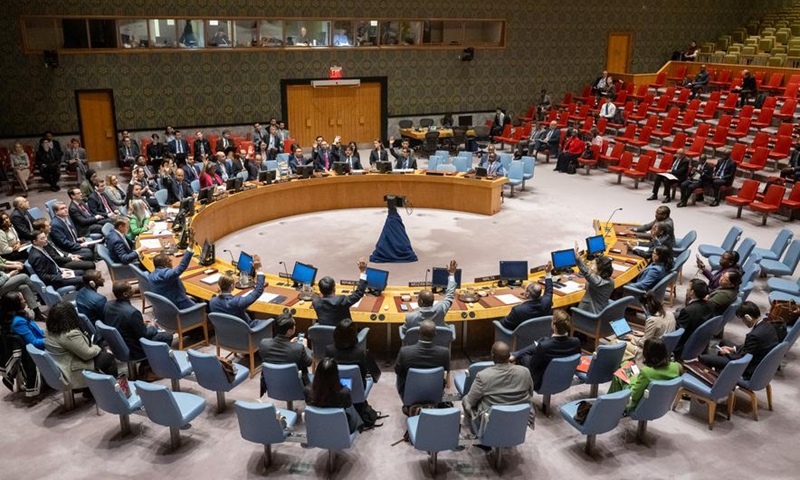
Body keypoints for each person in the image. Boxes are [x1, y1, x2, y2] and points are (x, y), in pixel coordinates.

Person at [462, 341, 533, 440]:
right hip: (517, 419)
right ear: (510, 356)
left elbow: (470, 401)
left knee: (465, 399)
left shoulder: (483, 376)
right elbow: (530, 394)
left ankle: (478, 434)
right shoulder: (525, 372)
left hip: (491, 421)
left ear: (492, 356)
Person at [44, 301, 118, 390]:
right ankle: (112, 391)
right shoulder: (69, 334)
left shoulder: (49, 329)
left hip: (63, 362)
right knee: (108, 358)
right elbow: (87, 354)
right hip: (72, 369)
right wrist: (97, 348)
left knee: (102, 349)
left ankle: (93, 388)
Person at [698, 301, 783, 379]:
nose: (743, 322)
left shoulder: (754, 335)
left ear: (748, 317)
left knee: (704, 358)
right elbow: (752, 348)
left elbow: (741, 359)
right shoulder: (768, 325)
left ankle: (715, 381)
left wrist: (727, 353)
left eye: (742, 320)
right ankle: (720, 374)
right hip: (757, 358)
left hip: (748, 367)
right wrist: (733, 349)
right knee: (723, 342)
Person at [511, 310, 581, 391]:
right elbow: (578, 362)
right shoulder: (576, 342)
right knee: (541, 342)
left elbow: (533, 367)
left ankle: (520, 391)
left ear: (554, 326)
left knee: (524, 357)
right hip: (565, 378)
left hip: (541, 383)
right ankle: (516, 354)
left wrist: (522, 355)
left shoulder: (544, 346)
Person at [105, 281, 174, 363]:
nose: (133, 289)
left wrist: (140, 324)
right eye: (130, 288)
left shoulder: (108, 305)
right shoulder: (133, 312)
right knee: (167, 336)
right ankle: (152, 365)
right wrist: (152, 326)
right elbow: (144, 335)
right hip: (135, 349)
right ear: (125, 294)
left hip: (118, 345)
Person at [610, 338, 680, 412]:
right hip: (661, 404)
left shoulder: (646, 372)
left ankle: (610, 405)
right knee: (625, 364)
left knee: (619, 375)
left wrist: (634, 378)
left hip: (638, 404)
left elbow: (634, 395)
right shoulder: (675, 367)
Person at [304, 358, 363, 433]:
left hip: (318, 426)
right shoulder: (344, 393)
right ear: (336, 374)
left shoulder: (307, 390)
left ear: (317, 372)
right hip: (341, 428)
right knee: (351, 407)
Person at [394, 320, 450, 399]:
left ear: (418, 333)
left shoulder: (405, 352)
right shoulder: (444, 353)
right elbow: (447, 372)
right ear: (435, 334)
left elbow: (397, 370)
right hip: (434, 390)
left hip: (408, 392)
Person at [209, 255, 268, 327]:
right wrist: (259, 269)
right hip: (246, 332)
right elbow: (258, 290)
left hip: (224, 332)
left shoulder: (212, 301)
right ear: (232, 286)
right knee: (271, 320)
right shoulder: (237, 302)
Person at [402, 260, 457, 334]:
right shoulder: (440, 309)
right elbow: (450, 295)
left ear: (420, 302)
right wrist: (451, 274)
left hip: (416, 343)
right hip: (439, 341)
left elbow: (404, 332)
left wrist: (416, 310)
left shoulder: (410, 317)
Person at [259, 313, 313, 385]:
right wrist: (305, 347)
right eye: (294, 326)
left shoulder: (264, 343)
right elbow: (309, 362)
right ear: (289, 331)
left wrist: (290, 344)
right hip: (295, 385)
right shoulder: (298, 349)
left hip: (273, 384)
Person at [325, 318, 380, 388]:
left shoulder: (329, 350)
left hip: (334, 389)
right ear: (354, 335)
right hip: (356, 389)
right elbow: (365, 375)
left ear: (335, 333)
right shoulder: (360, 353)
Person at [313, 257, 368, 326]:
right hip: (344, 335)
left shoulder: (316, 302)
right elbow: (359, 293)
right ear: (334, 289)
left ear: (320, 291)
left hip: (325, 335)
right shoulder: (341, 301)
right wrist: (363, 272)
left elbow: (315, 296)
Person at [624, 292, 676, 364]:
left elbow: (643, 343)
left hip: (652, 352)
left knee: (620, 343)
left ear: (646, 306)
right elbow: (661, 333)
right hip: (664, 350)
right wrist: (643, 334)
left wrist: (633, 338)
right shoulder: (670, 314)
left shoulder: (652, 320)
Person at [500, 262, 553, 330]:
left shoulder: (518, 310)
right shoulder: (547, 302)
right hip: (541, 335)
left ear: (527, 294)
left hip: (521, 338)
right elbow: (549, 290)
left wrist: (498, 321)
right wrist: (548, 273)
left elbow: (504, 324)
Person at [674, 278, 714, 355]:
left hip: (684, 345)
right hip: (700, 342)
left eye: (688, 287)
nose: (686, 289)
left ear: (692, 292)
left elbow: (679, 333)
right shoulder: (711, 304)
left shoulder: (687, 311)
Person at [0, 258, 45, 322]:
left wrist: (7, 274)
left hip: (3, 281)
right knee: (24, 276)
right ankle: (41, 295)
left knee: (24, 287)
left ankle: (38, 314)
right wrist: (9, 275)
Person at [574, 244, 614, 314]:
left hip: (591, 314)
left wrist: (578, 259)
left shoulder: (597, 282)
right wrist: (587, 285)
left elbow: (587, 273)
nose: (592, 267)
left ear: (600, 270)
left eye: (594, 265)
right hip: (602, 311)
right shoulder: (611, 281)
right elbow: (598, 287)